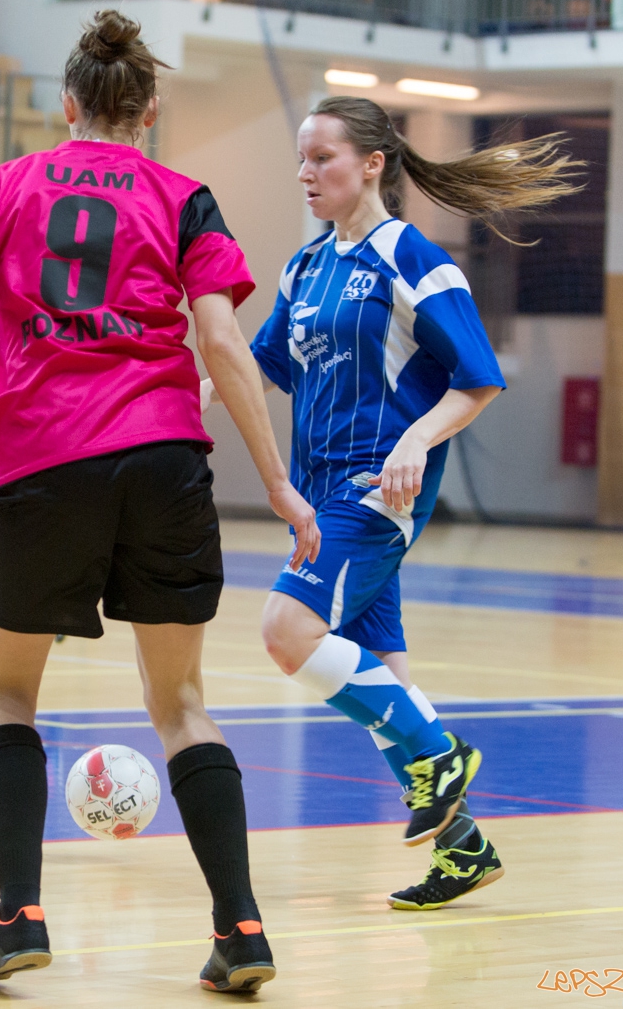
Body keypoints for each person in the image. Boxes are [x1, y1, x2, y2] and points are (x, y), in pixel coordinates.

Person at [0, 12, 319, 992]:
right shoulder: (185, 195)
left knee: (5, 695)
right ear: (150, 110)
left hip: (46, 457)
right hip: (166, 457)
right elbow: (221, 341)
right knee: (182, 703)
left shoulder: (7, 185)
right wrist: (279, 479)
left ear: (67, 104)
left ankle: (17, 915)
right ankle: (240, 927)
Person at [225, 95, 579, 911]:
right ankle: (464, 847)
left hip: (375, 489)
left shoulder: (411, 257)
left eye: (324, 158)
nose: (306, 173)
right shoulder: (307, 267)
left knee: (288, 631)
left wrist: (417, 439)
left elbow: (480, 376)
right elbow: (263, 363)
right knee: (386, 679)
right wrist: (189, 391)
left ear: (373, 164)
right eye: (302, 159)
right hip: (321, 496)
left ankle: (442, 754)